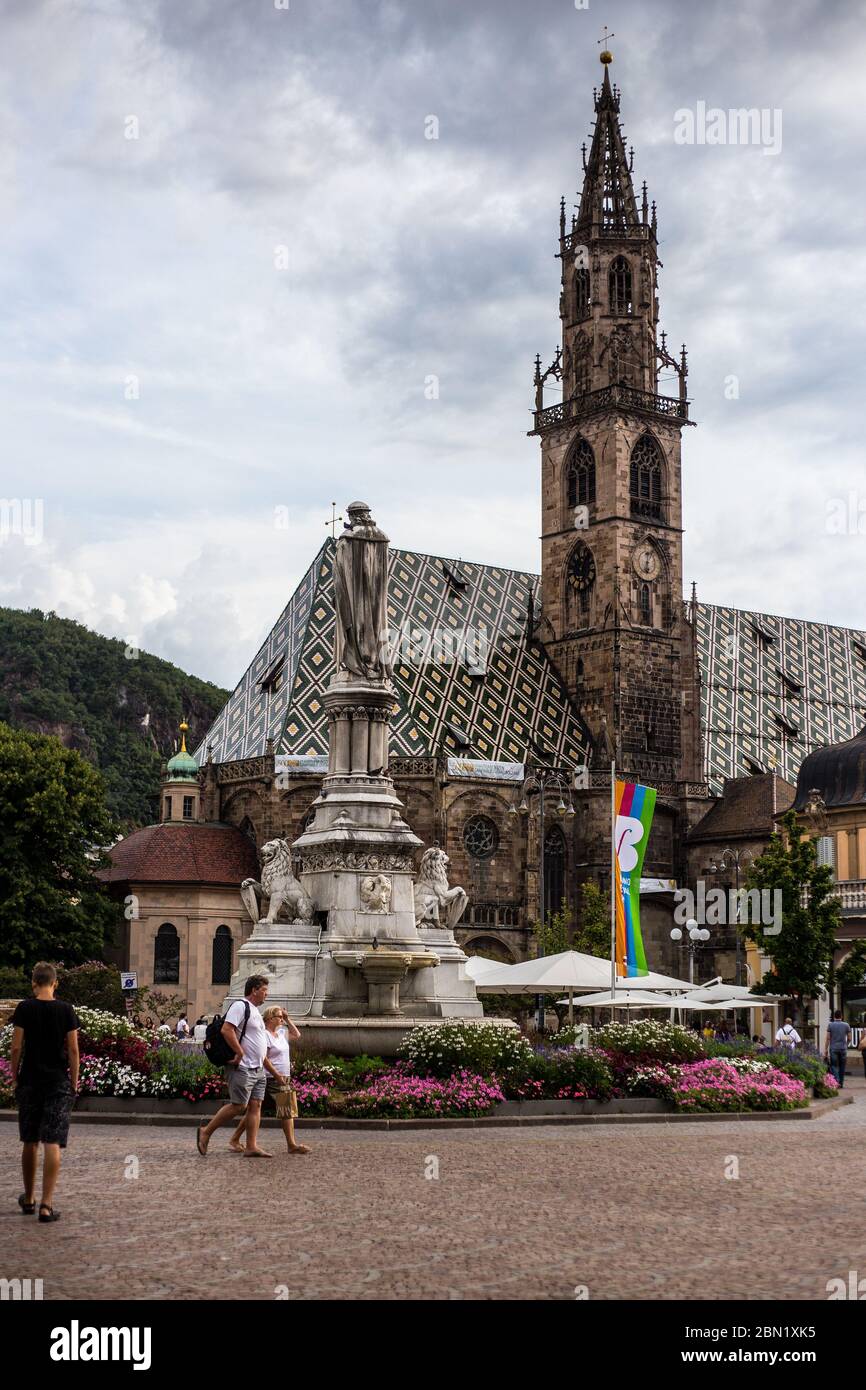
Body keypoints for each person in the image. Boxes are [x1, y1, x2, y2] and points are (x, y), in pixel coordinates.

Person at [9, 962, 80, 1223]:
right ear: (55, 983)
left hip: (30, 1080)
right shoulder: (66, 1010)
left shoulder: (25, 1008)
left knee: (30, 1140)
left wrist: (14, 1075)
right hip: (58, 1081)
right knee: (53, 1141)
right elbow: (73, 1050)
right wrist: (74, 1081)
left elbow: (16, 1047)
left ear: (33, 983)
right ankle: (47, 1205)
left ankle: (29, 1198)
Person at [196, 976, 271, 1158]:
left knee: (256, 1105)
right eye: (264, 990)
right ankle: (206, 1131)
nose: (266, 995)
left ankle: (251, 1145)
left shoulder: (255, 1011)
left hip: (257, 1067)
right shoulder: (240, 1006)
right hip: (242, 1066)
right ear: (254, 990)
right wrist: (239, 1053)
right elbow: (227, 1029)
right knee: (238, 1106)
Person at [229, 1008, 309, 1156]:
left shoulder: (281, 1033)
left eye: (282, 1017)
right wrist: (277, 1075)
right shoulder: (264, 1035)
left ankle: (234, 1139)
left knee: (254, 1111)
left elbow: (297, 1034)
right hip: (271, 1077)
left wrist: (288, 1018)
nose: (281, 1019)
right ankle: (291, 1145)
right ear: (269, 1018)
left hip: (284, 1076)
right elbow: (263, 1058)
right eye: (279, 1016)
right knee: (286, 1110)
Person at [824, 1010, 852, 1088]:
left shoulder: (830, 1025)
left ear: (834, 1016)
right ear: (841, 1016)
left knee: (834, 1065)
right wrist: (846, 1045)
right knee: (842, 1066)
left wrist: (826, 1049)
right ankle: (841, 1083)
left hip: (833, 1048)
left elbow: (828, 1038)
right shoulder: (846, 1025)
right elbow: (850, 1038)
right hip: (843, 1048)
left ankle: (837, 1081)